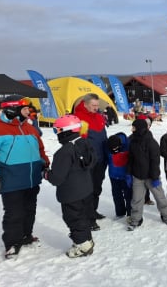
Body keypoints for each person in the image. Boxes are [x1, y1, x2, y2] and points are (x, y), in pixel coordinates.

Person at [0, 95, 51, 259]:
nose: (29, 111)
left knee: (29, 209)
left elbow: (40, 149)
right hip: (11, 180)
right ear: (13, 109)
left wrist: (45, 163)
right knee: (14, 213)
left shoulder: (30, 128)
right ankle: (12, 243)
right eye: (26, 108)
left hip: (31, 179)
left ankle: (26, 235)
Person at [44, 115, 96, 258]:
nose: (57, 134)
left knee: (74, 218)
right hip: (85, 189)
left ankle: (83, 246)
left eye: (57, 131)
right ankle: (87, 239)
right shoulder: (85, 143)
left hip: (71, 194)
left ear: (66, 131)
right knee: (83, 216)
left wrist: (45, 173)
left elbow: (57, 178)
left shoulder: (64, 152)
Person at [126, 119, 167, 230]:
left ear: (140, 128)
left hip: (151, 176)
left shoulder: (151, 143)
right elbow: (130, 159)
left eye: (134, 127)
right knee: (136, 199)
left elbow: (155, 162)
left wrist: (155, 177)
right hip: (138, 176)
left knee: (160, 197)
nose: (132, 129)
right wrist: (128, 173)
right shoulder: (133, 141)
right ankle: (136, 220)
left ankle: (166, 216)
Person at [74, 93, 109, 230]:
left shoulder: (99, 117)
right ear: (86, 104)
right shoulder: (79, 119)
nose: (96, 107)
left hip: (101, 159)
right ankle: (88, 218)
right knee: (87, 189)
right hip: (88, 160)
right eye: (93, 105)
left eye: (97, 105)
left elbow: (103, 137)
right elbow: (78, 142)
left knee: (97, 187)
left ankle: (93, 210)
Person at [107, 132, 132, 219]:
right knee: (117, 195)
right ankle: (120, 212)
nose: (114, 150)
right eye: (112, 149)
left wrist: (129, 174)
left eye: (116, 148)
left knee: (128, 195)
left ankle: (130, 213)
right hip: (113, 176)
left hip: (125, 176)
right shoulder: (108, 147)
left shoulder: (127, 146)